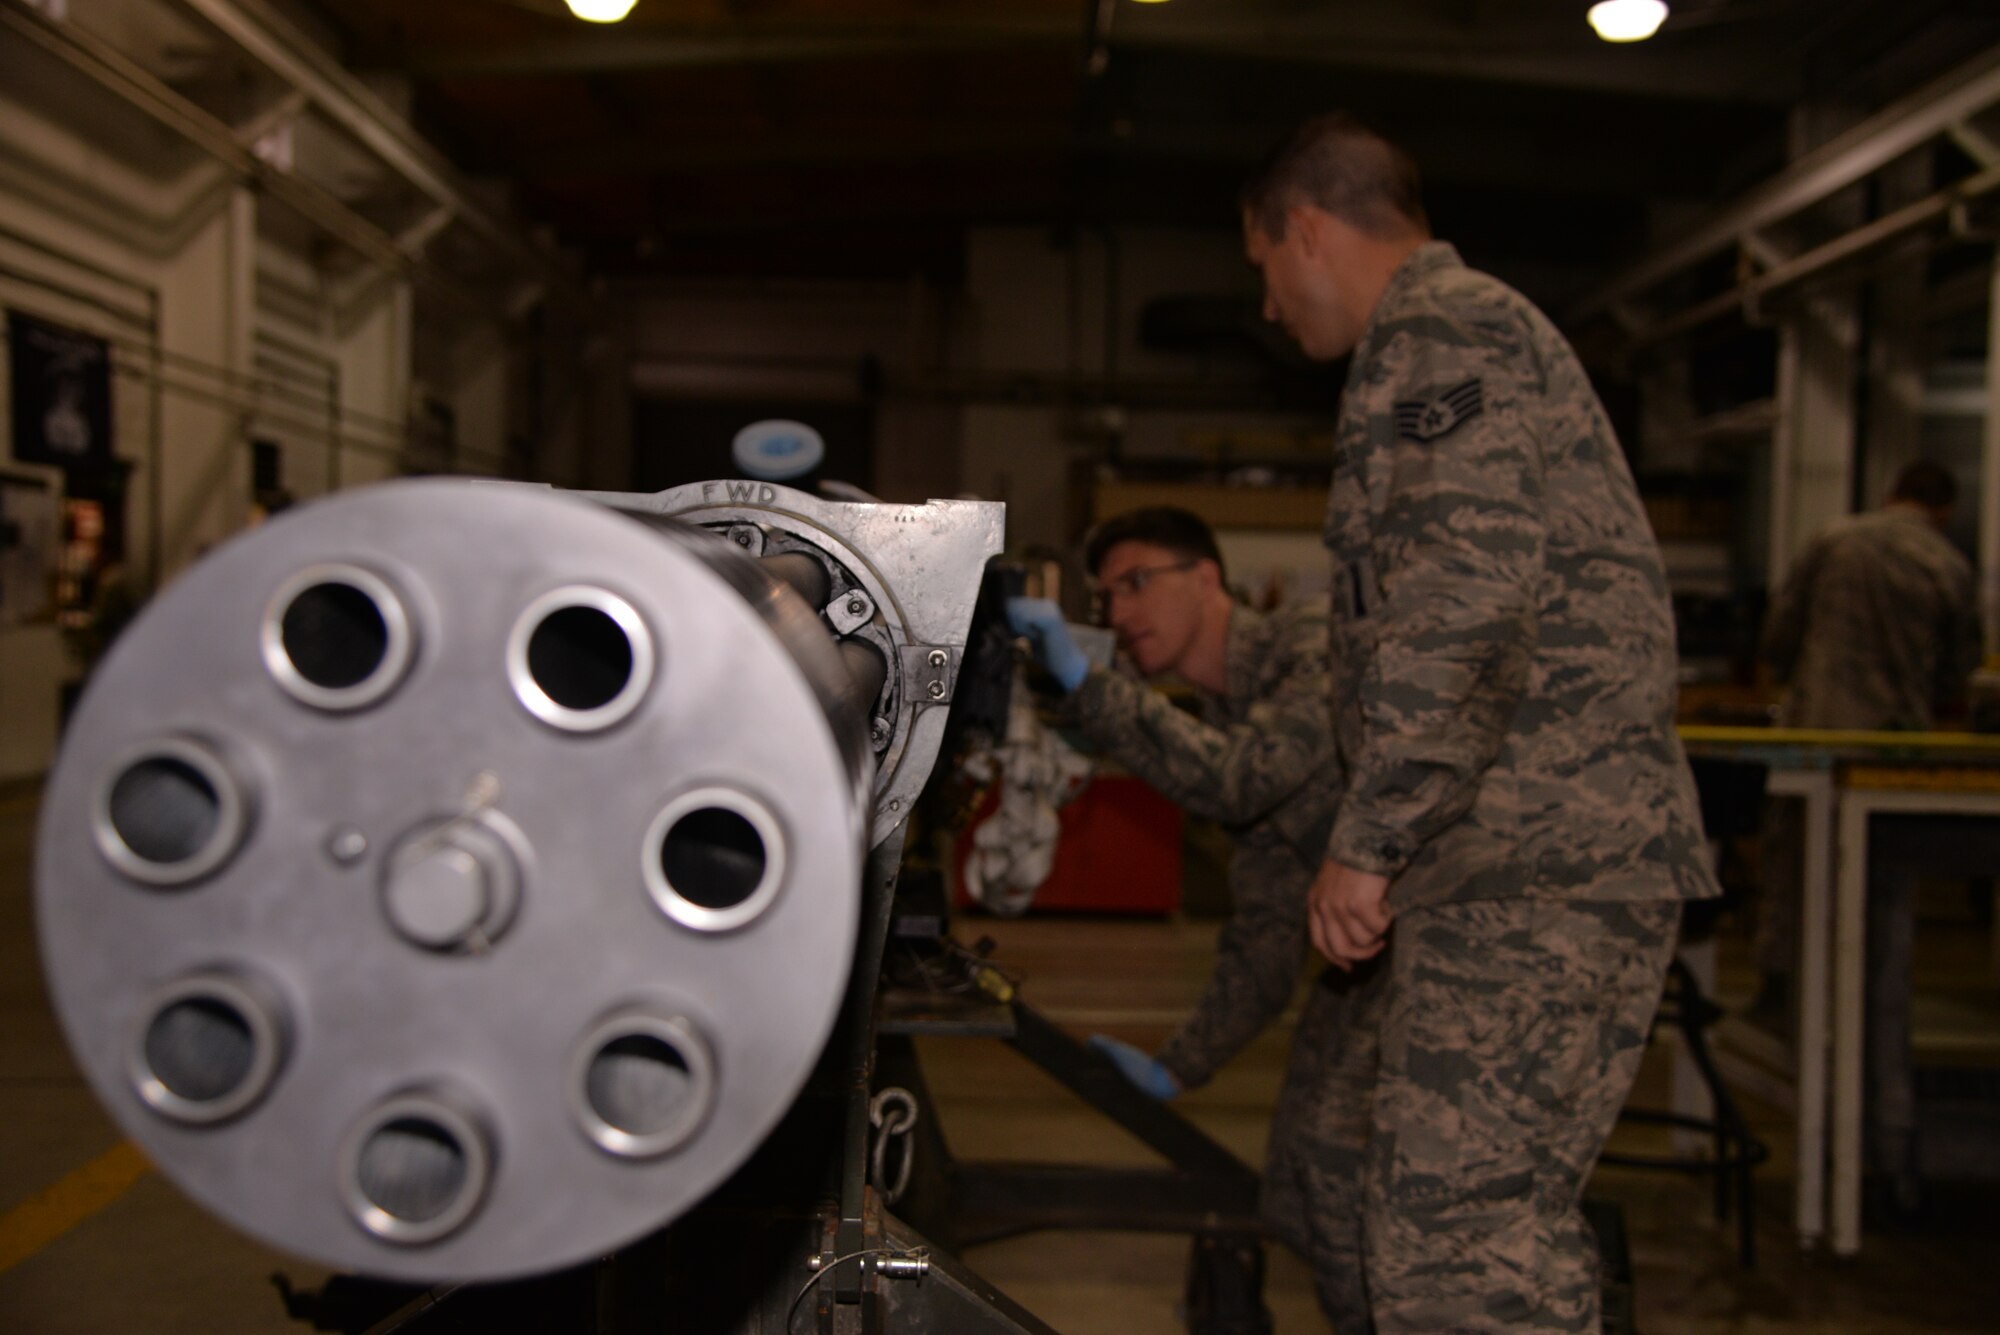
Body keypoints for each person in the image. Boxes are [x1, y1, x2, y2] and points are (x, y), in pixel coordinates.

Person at [1241, 113, 1720, 1333]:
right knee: (1435, 1229)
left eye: (1261, 270)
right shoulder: (1443, 338)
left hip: (1534, 866)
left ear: (1302, 230)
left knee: (1464, 1257)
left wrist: (1371, 836)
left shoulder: (1443, 333)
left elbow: (1464, 601)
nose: (1266, 308)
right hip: (1515, 861)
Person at [1005, 506, 1370, 1323]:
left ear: (1208, 577)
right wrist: (1183, 1063)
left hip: (1459, 934)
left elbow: (1238, 777)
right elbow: (1273, 921)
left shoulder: (1313, 643)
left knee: (1356, 1181)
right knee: (1302, 1188)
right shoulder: (1228, 712)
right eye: (1106, 598)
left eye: (1138, 582)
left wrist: (1089, 687)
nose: (1122, 613)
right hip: (1381, 959)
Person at [1759, 459, 1983, 1209]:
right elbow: (1959, 671)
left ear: (1891, 493)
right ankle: (1876, 1113)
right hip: (1895, 764)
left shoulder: (1834, 539)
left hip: (1814, 746)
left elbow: (1779, 636)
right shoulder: (1946, 562)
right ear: (1943, 508)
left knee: (1801, 900)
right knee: (1879, 936)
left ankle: (1789, 1012)